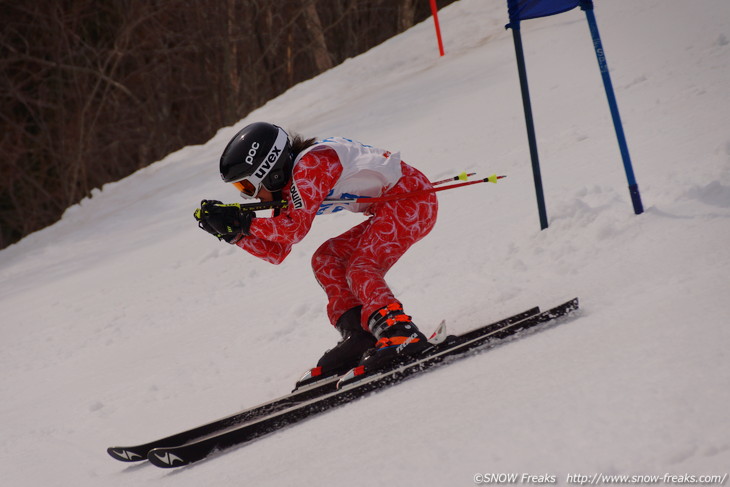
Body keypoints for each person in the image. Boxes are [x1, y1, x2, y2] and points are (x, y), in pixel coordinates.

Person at [195, 122, 438, 382]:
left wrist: (244, 222)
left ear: (270, 171)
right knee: (327, 259)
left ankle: (400, 332)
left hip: (412, 201)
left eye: (247, 187)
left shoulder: (312, 164)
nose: (247, 197)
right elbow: (277, 251)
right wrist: (233, 234)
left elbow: (294, 230)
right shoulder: (289, 184)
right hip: (394, 206)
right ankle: (361, 336)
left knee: (361, 266)